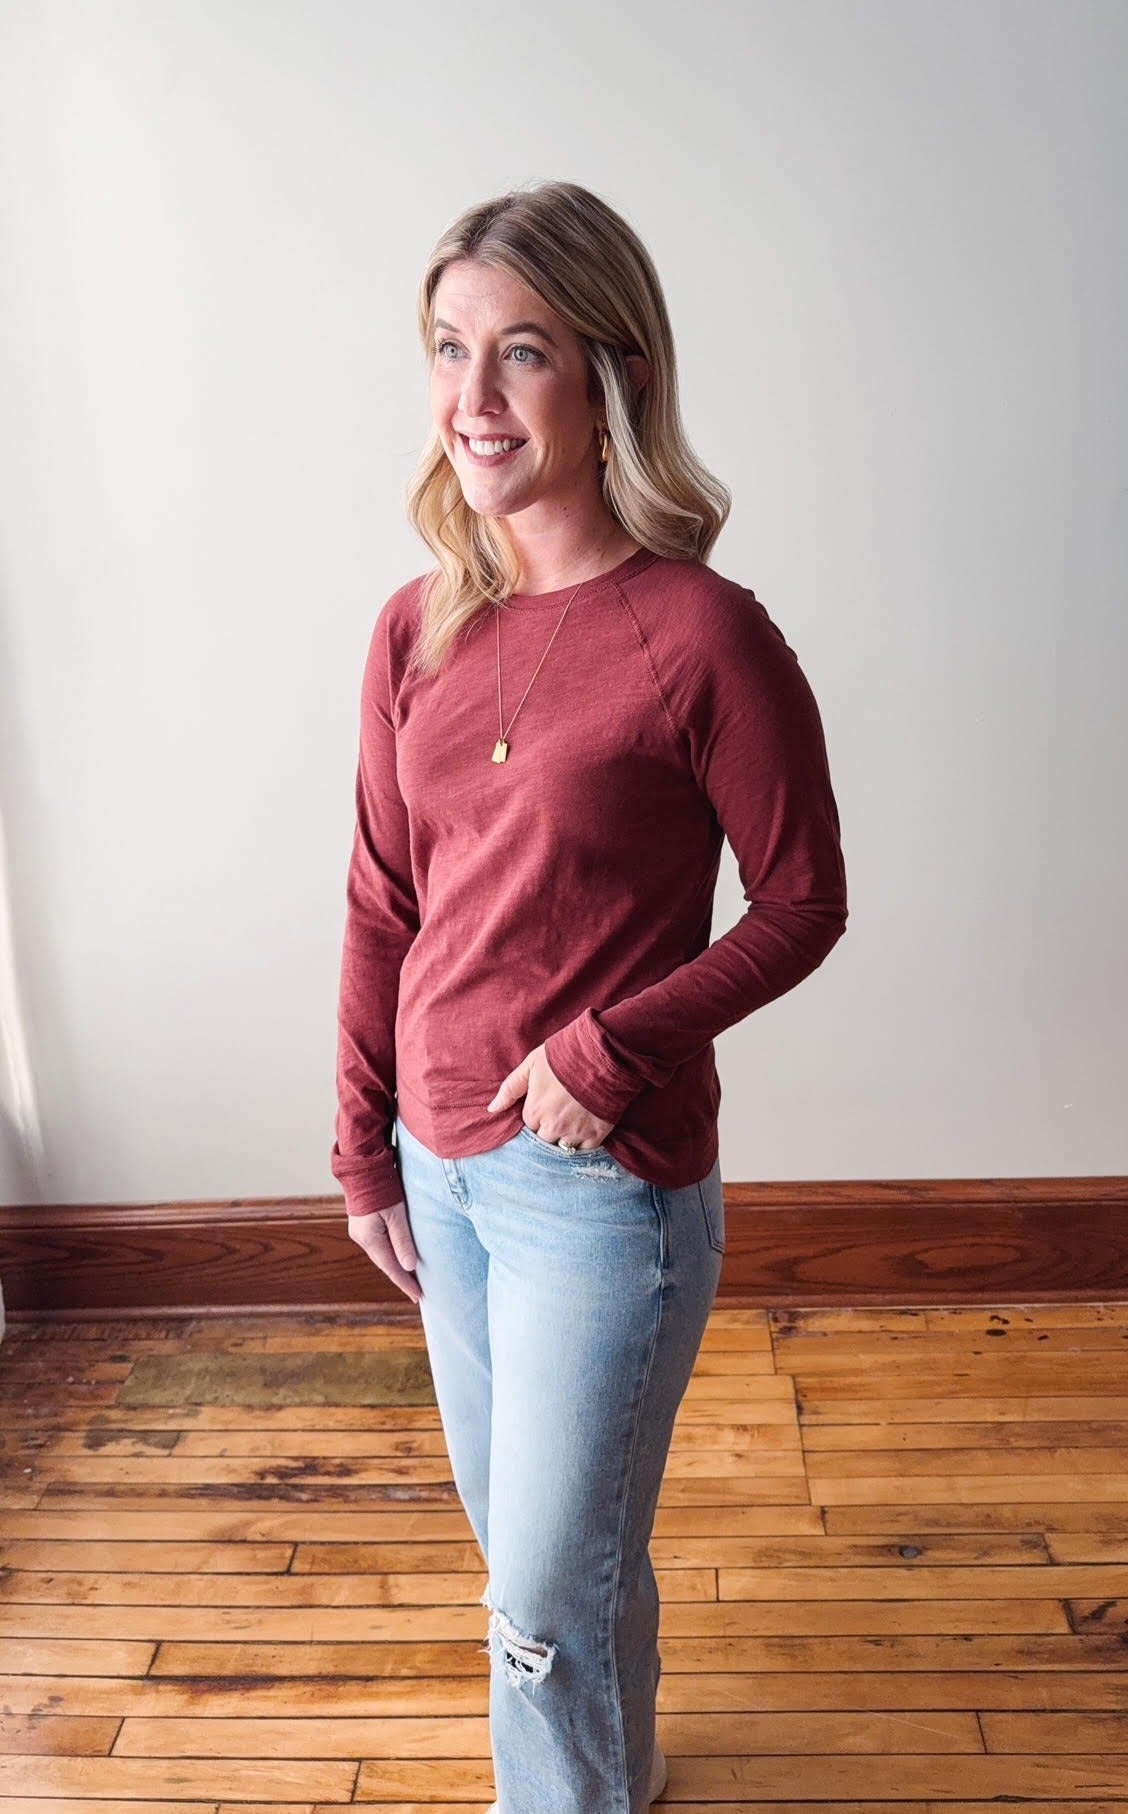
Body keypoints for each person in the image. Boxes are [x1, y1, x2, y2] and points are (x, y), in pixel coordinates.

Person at [331, 180, 848, 1814]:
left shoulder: (703, 635)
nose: (472, 401)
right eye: (448, 349)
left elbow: (807, 898)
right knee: (555, 1563)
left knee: (539, 1598)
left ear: (611, 373)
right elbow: (381, 899)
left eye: (524, 355)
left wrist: (619, 1039)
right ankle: (614, 1781)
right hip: (442, 1167)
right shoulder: (413, 625)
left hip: (598, 1191)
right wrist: (363, 1148)